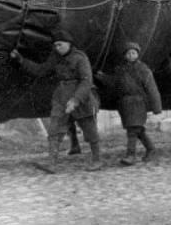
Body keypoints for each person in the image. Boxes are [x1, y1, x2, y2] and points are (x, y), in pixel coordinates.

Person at [10, 29, 102, 173]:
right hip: (61, 96)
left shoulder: (80, 58)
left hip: (82, 97)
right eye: (55, 45)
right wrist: (21, 60)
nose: (57, 48)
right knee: (54, 129)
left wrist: (75, 100)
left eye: (60, 45)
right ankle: (51, 164)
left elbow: (86, 81)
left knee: (90, 130)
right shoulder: (55, 58)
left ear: (69, 44)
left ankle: (97, 160)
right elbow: (41, 70)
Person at [97, 42, 162, 165]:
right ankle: (151, 150)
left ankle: (131, 155)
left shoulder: (144, 69)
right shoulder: (120, 70)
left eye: (134, 53)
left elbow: (152, 88)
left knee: (133, 130)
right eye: (128, 53)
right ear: (125, 55)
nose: (131, 55)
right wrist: (102, 77)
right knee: (138, 130)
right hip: (125, 104)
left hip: (138, 103)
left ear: (137, 54)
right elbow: (114, 83)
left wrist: (156, 107)